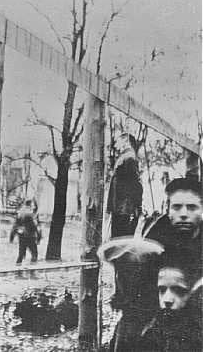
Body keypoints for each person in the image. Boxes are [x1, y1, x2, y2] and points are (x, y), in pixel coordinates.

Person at [106, 177, 202, 352]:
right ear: (168, 209)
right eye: (177, 207)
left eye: (192, 207)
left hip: (196, 313)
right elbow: (139, 291)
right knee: (130, 327)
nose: (183, 213)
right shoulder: (157, 235)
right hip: (158, 307)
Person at [137, 259, 202, 351]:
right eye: (162, 290)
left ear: (193, 292)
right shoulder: (151, 331)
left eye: (178, 290)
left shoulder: (197, 333)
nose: (167, 299)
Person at [107, 132, 143, 238]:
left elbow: (136, 185)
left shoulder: (129, 157)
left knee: (119, 239)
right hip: (120, 207)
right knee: (117, 239)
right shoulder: (126, 157)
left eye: (119, 141)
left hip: (123, 209)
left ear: (126, 141)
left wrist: (136, 206)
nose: (116, 144)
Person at [10, 199, 41, 265]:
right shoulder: (32, 215)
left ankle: (18, 267)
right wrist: (39, 237)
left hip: (21, 236)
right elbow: (36, 227)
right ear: (30, 205)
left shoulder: (20, 213)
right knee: (34, 254)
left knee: (21, 254)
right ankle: (33, 270)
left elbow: (15, 226)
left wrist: (12, 237)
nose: (34, 207)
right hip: (30, 236)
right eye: (33, 205)